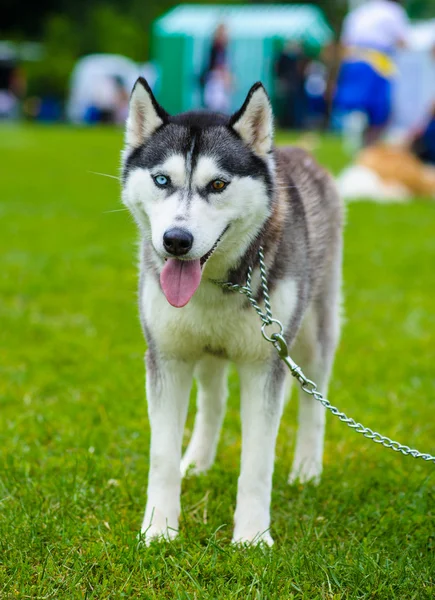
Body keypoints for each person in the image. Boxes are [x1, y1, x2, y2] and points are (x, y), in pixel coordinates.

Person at [333, 0, 409, 147]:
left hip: (353, 60)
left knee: (355, 104)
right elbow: (403, 42)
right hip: (377, 63)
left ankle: (354, 133)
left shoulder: (358, 12)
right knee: (378, 109)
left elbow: (345, 42)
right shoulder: (393, 11)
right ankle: (371, 142)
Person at [274, 41, 307, 129]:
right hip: (289, 84)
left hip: (294, 85)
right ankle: (289, 123)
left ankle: (294, 123)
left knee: (294, 106)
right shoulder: (285, 58)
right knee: (288, 106)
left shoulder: (296, 58)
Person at [201, 24, 231, 113]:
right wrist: (226, 77)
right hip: (215, 79)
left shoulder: (222, 49)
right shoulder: (216, 49)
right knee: (215, 105)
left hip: (217, 79)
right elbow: (218, 67)